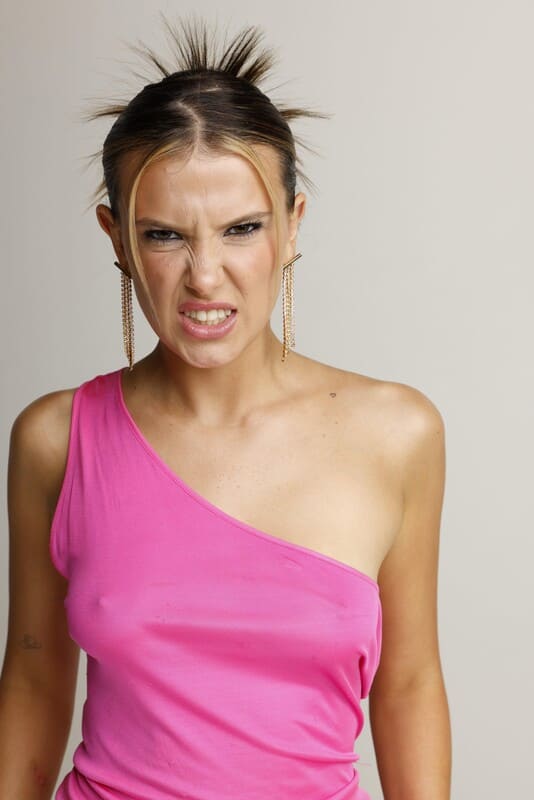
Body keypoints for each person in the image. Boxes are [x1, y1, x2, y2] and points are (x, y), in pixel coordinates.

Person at [0, 13, 451, 800]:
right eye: (165, 236)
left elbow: (408, 683)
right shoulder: (56, 439)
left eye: (242, 228)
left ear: (293, 226)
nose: (205, 275)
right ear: (116, 239)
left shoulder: (398, 434)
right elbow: (35, 677)